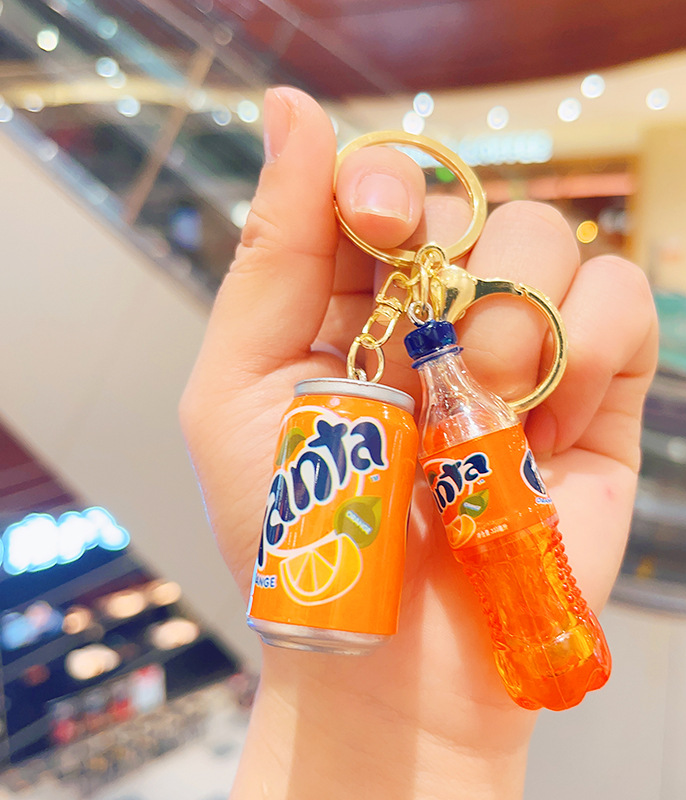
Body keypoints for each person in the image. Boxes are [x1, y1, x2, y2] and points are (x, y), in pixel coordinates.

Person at [180, 87, 658, 799]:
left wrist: (434, 749)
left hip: (532, 614)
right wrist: (357, 717)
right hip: (474, 628)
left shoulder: (451, 421)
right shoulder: (427, 424)